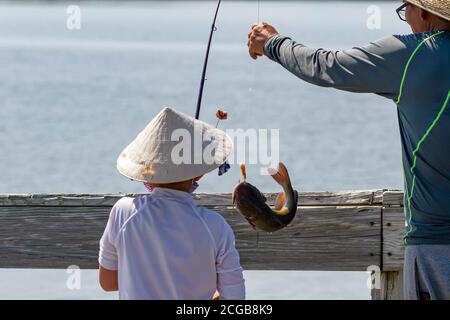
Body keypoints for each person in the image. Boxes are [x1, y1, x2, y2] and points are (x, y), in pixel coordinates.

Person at [248, 0, 450, 300]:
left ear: (423, 12)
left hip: (435, 247)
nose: (405, 19)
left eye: (405, 9)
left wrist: (273, 43)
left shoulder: (414, 54)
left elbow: (326, 66)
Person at [98, 107, 245, 300]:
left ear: (145, 173)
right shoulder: (215, 226)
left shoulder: (123, 212)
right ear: (199, 172)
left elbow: (107, 282)